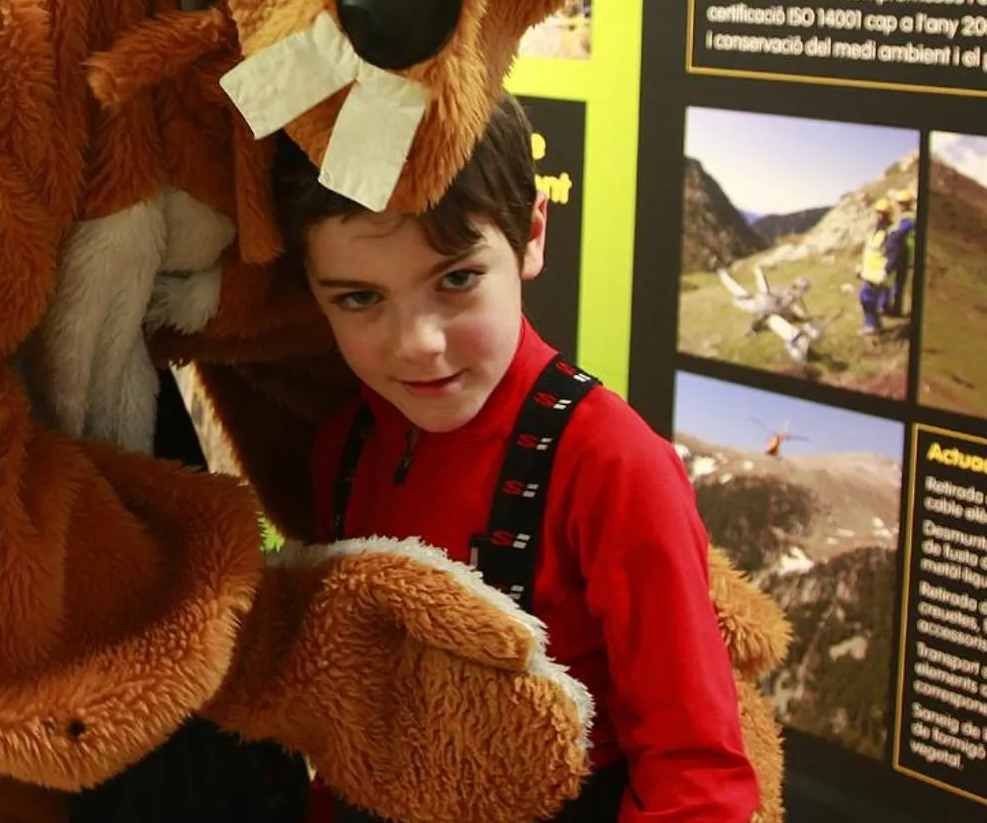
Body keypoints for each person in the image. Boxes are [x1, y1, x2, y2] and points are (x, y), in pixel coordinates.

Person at [276, 95, 761, 823]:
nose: (418, 344)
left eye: (456, 280)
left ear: (531, 234)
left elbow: (696, 777)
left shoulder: (613, 464)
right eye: (359, 298)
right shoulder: (342, 445)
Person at [857, 198, 895, 337]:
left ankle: (872, 326)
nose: (878, 216)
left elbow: (893, 255)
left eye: (882, 214)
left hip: (878, 275)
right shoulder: (876, 231)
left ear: (887, 215)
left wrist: (886, 271)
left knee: (866, 298)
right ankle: (876, 325)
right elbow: (870, 253)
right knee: (866, 298)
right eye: (878, 213)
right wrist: (861, 268)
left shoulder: (889, 233)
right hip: (870, 273)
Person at [883, 188, 917, 318]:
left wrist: (891, 235)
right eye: (900, 203)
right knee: (898, 283)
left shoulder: (909, 218)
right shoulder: (905, 217)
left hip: (904, 253)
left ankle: (892, 308)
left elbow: (899, 234)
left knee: (895, 282)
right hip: (903, 253)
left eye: (903, 203)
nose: (901, 206)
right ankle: (895, 308)